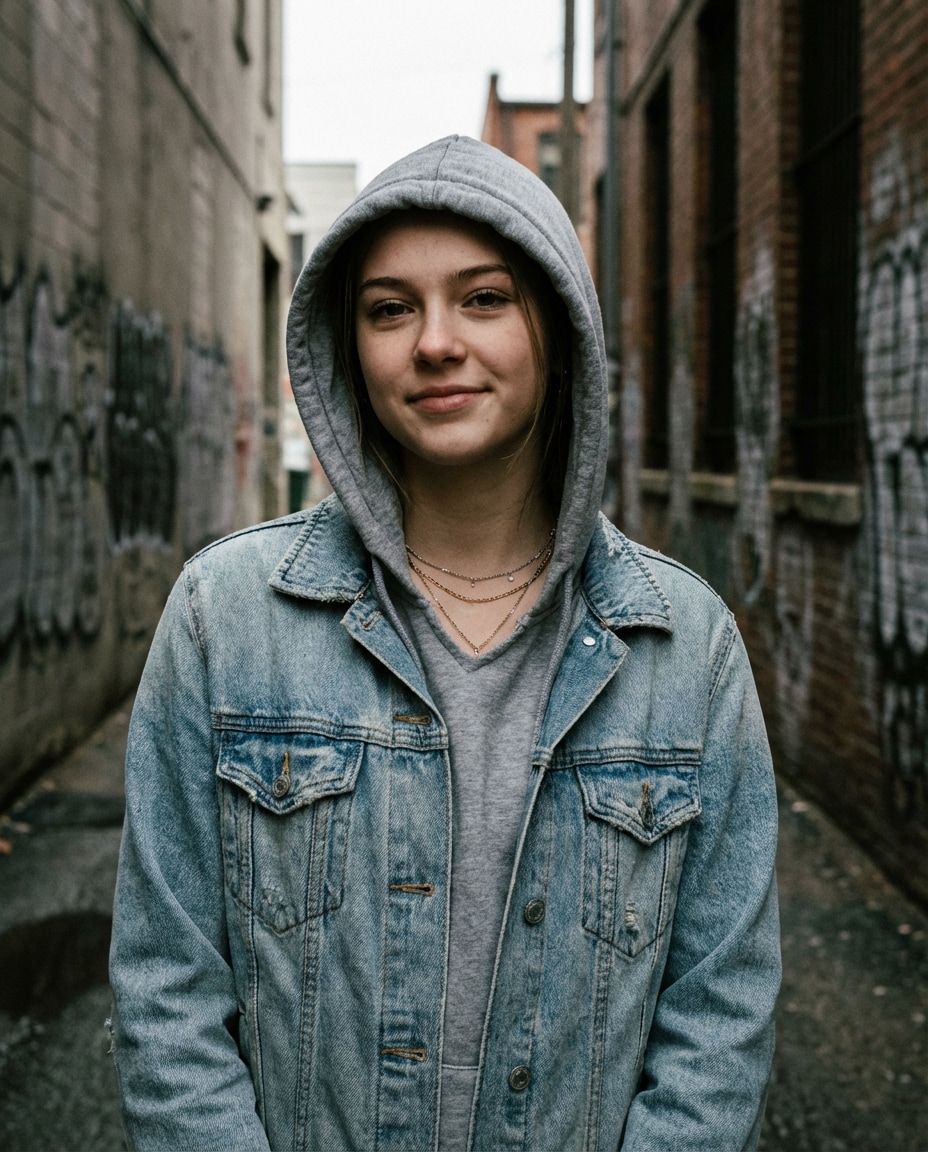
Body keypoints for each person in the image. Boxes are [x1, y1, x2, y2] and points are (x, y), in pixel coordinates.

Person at [109, 135, 780, 1151]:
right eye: (389, 308)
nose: (432, 342)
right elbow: (167, 992)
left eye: (483, 298)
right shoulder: (225, 616)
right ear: (348, 348)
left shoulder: (684, 648)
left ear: (556, 332)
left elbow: (717, 1020)